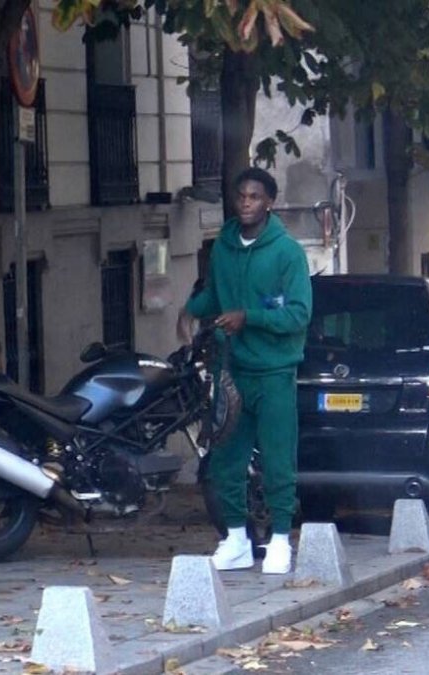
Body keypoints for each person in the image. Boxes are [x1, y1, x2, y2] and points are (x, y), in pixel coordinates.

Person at [178, 168, 312, 574]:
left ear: (269, 202)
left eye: (255, 197)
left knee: (276, 459)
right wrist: (191, 310)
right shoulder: (223, 245)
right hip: (231, 369)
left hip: (274, 372)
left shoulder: (287, 252)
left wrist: (248, 317)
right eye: (241, 196)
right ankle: (235, 538)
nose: (247, 203)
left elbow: (299, 313)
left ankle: (280, 540)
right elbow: (216, 294)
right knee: (225, 458)